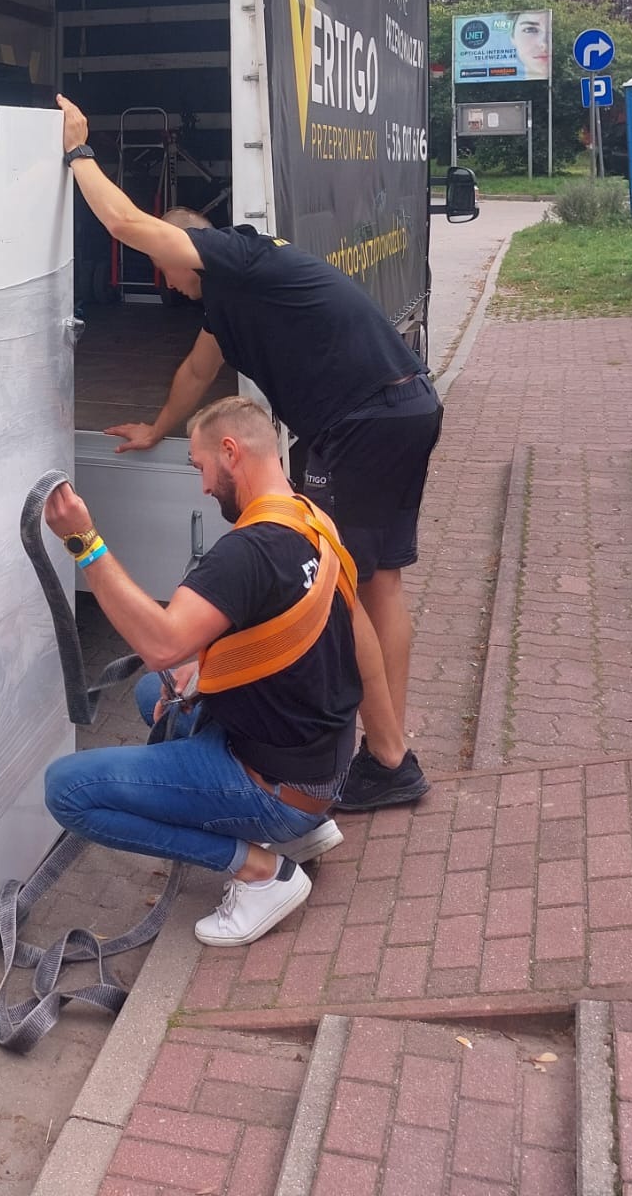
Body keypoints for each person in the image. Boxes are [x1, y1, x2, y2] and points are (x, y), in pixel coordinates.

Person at [58, 93, 437, 811]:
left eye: (168, 270)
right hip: (396, 407)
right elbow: (198, 373)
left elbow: (126, 224)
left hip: (365, 421)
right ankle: (388, 752)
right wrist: (157, 430)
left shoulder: (236, 258)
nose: (166, 285)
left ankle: (386, 758)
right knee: (380, 581)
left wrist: (79, 151)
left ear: (187, 253)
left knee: (341, 585)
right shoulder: (233, 303)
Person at [43, 396, 371, 945]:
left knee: (67, 791)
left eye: (199, 468)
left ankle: (261, 870)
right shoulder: (309, 521)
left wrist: (85, 542)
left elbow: (160, 644)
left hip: (276, 786)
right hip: (324, 766)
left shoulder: (246, 553)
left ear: (230, 451)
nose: (202, 486)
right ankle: (307, 827)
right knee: (157, 693)